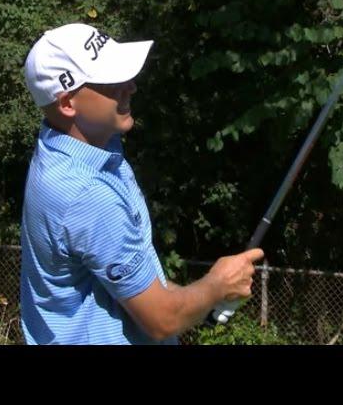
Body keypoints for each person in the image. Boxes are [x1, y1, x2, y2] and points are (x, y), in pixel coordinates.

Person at [19, 23, 264, 345]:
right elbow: (162, 320)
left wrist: (203, 299)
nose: (130, 86)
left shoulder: (74, 153)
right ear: (67, 103)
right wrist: (218, 284)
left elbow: (134, 289)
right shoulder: (87, 195)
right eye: (112, 81)